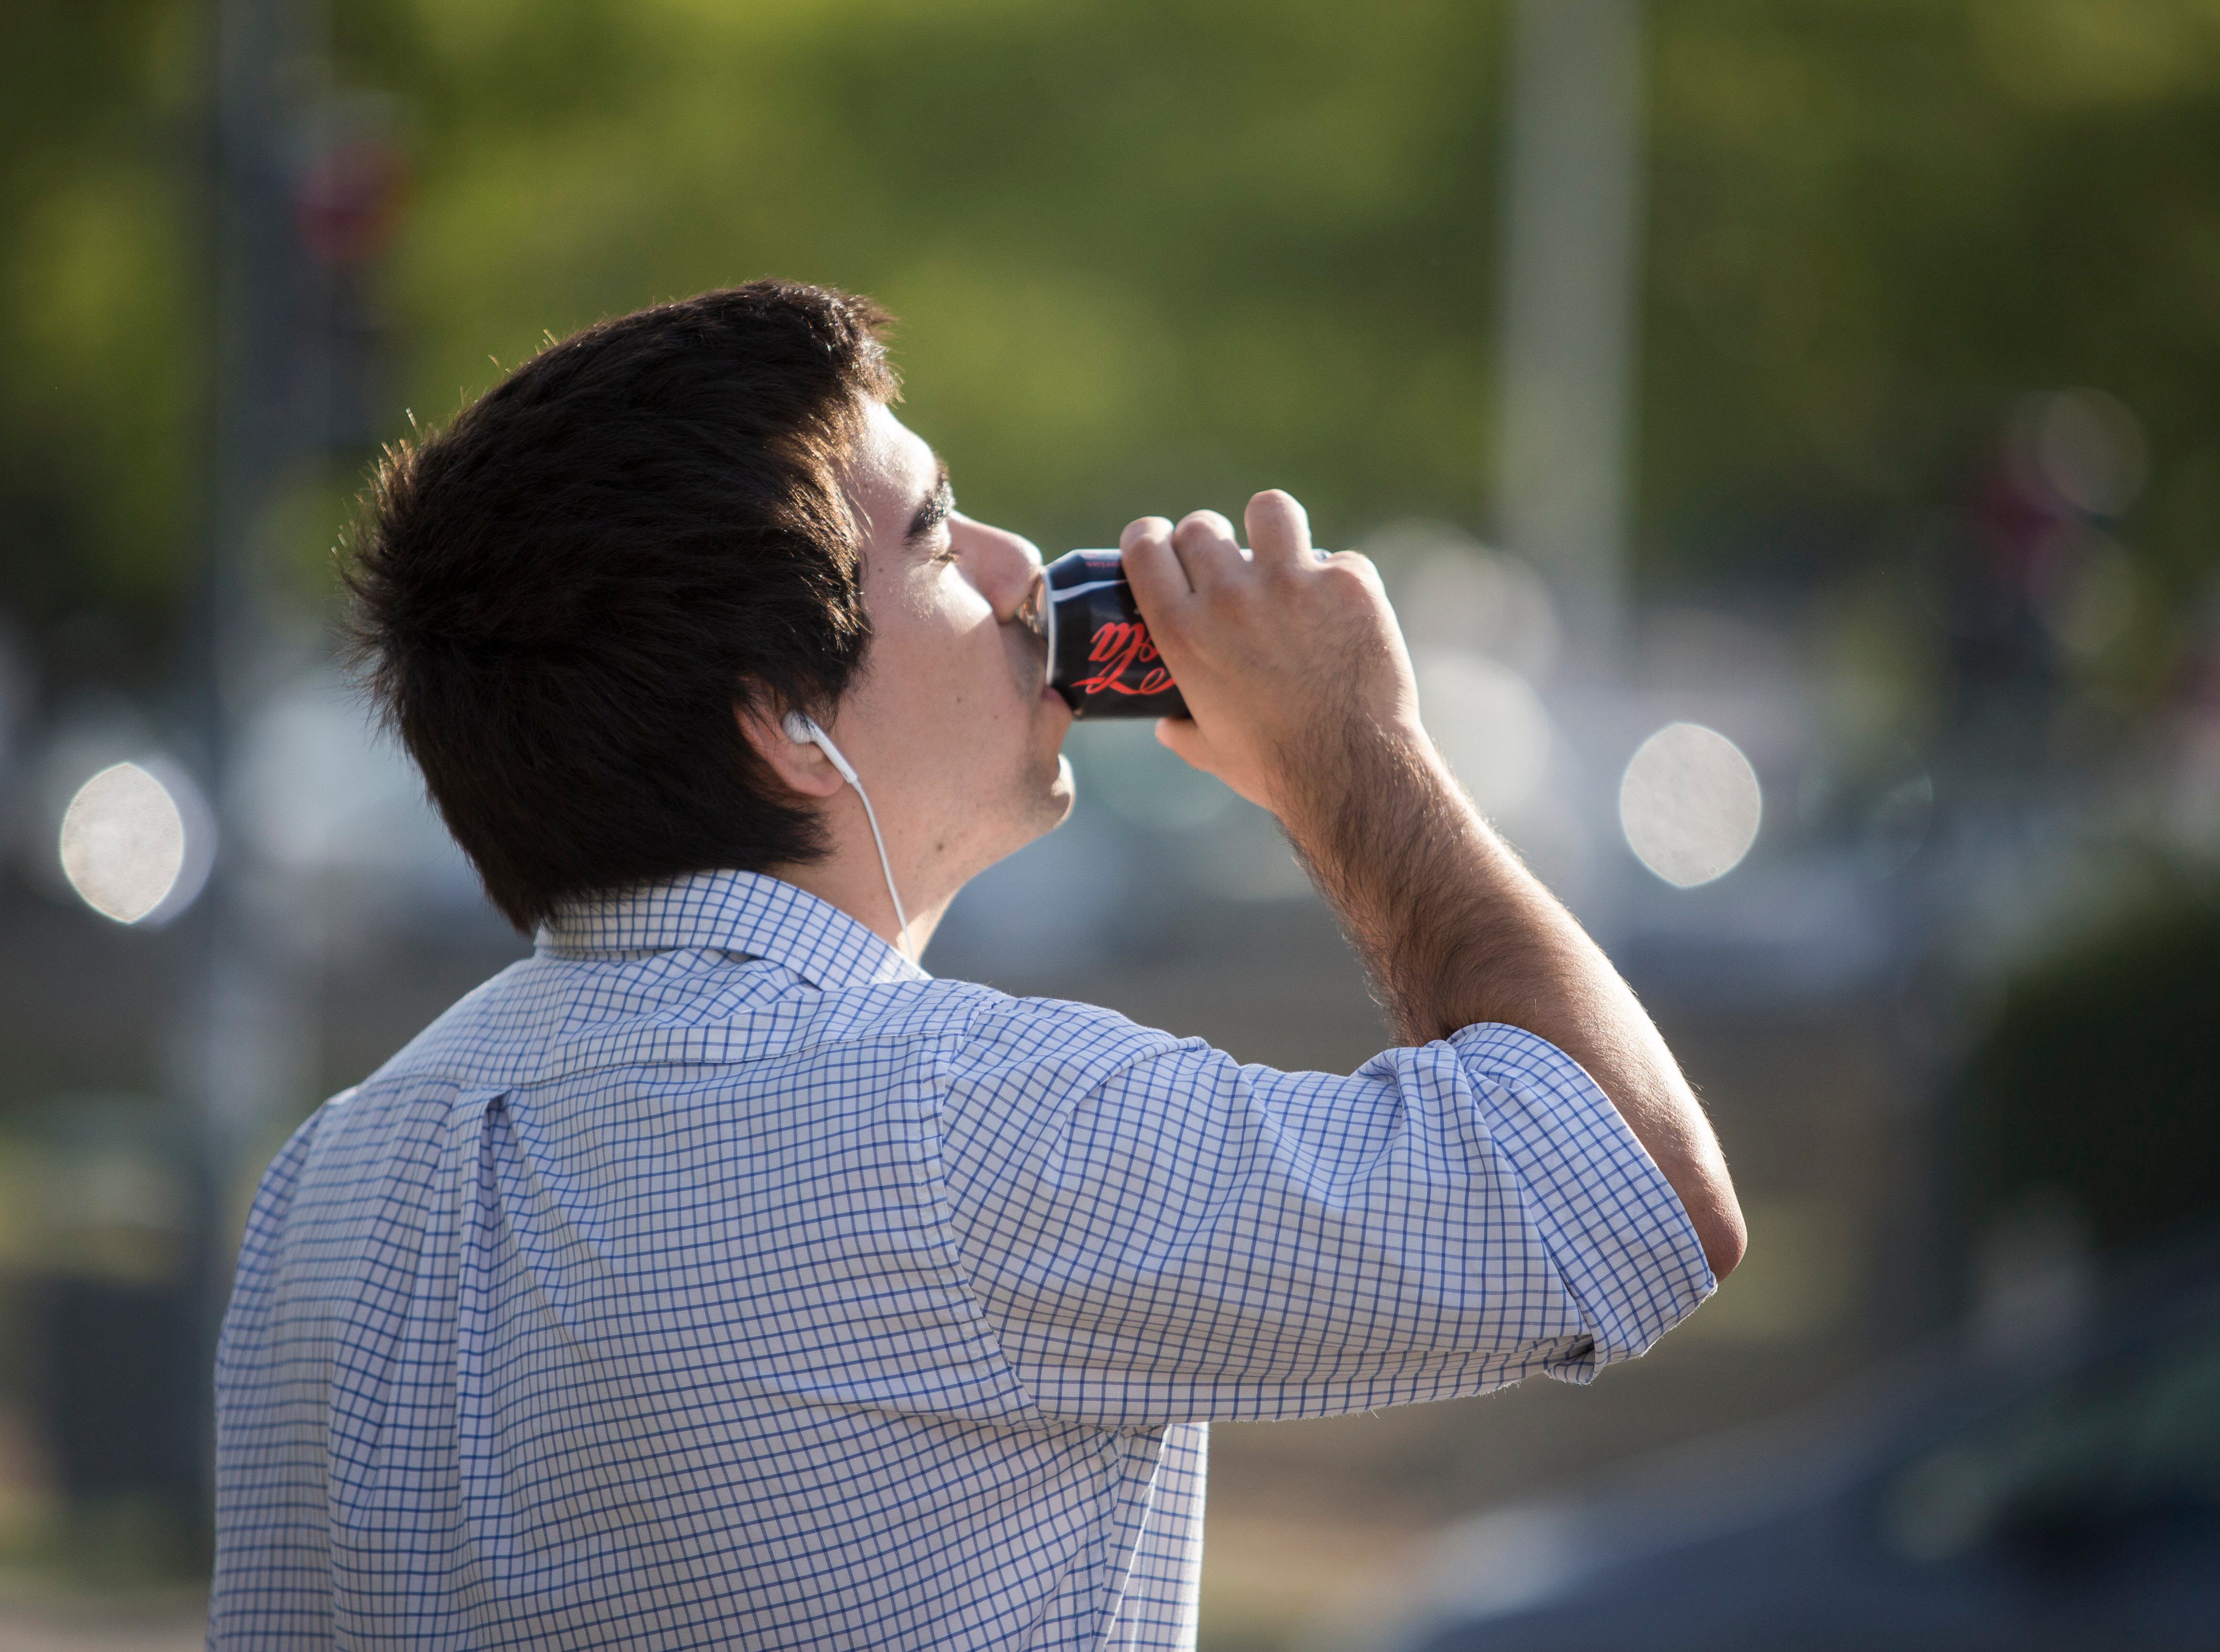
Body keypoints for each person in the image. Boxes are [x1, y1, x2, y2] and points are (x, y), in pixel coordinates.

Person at [209, 280, 1743, 1651]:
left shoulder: (333, 1179)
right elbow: (1627, 1193)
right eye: (938, 531)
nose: (1024, 571)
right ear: (781, 721)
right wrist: (1360, 756)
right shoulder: (954, 1125)